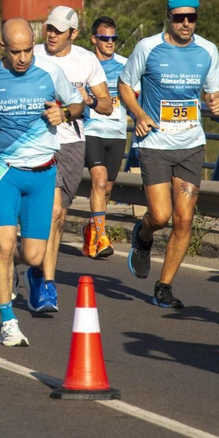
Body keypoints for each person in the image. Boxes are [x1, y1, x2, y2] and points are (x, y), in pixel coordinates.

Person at [0, 18, 82, 346]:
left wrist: (65, 114)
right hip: (5, 173)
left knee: (32, 255)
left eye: (28, 50)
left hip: (43, 175)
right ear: (3, 47)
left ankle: (17, 268)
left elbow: (77, 102)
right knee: (3, 244)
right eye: (16, 51)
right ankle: (7, 321)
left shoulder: (49, 72)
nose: (23, 58)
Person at [119, 0, 219, 309]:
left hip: (191, 144)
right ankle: (144, 234)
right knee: (161, 216)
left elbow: (212, 91)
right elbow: (125, 85)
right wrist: (138, 114)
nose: (186, 23)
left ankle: (164, 286)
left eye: (192, 17)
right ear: (169, 17)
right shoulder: (147, 48)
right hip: (154, 143)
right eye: (180, 17)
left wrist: (215, 102)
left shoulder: (208, 50)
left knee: (184, 220)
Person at [31, 6, 112, 312]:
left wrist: (86, 99)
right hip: (37, 141)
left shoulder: (86, 60)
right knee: (51, 212)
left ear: (73, 34)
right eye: (48, 28)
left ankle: (37, 271)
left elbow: (106, 104)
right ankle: (47, 283)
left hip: (72, 143)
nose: (51, 35)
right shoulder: (33, 53)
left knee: (60, 217)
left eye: (58, 30)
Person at [81, 16, 129, 260]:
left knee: (107, 188)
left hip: (117, 131)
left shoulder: (125, 64)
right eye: (104, 38)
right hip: (91, 130)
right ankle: (100, 238)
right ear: (94, 39)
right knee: (98, 181)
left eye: (113, 38)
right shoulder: (86, 64)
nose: (110, 42)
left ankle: (91, 228)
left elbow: (134, 95)